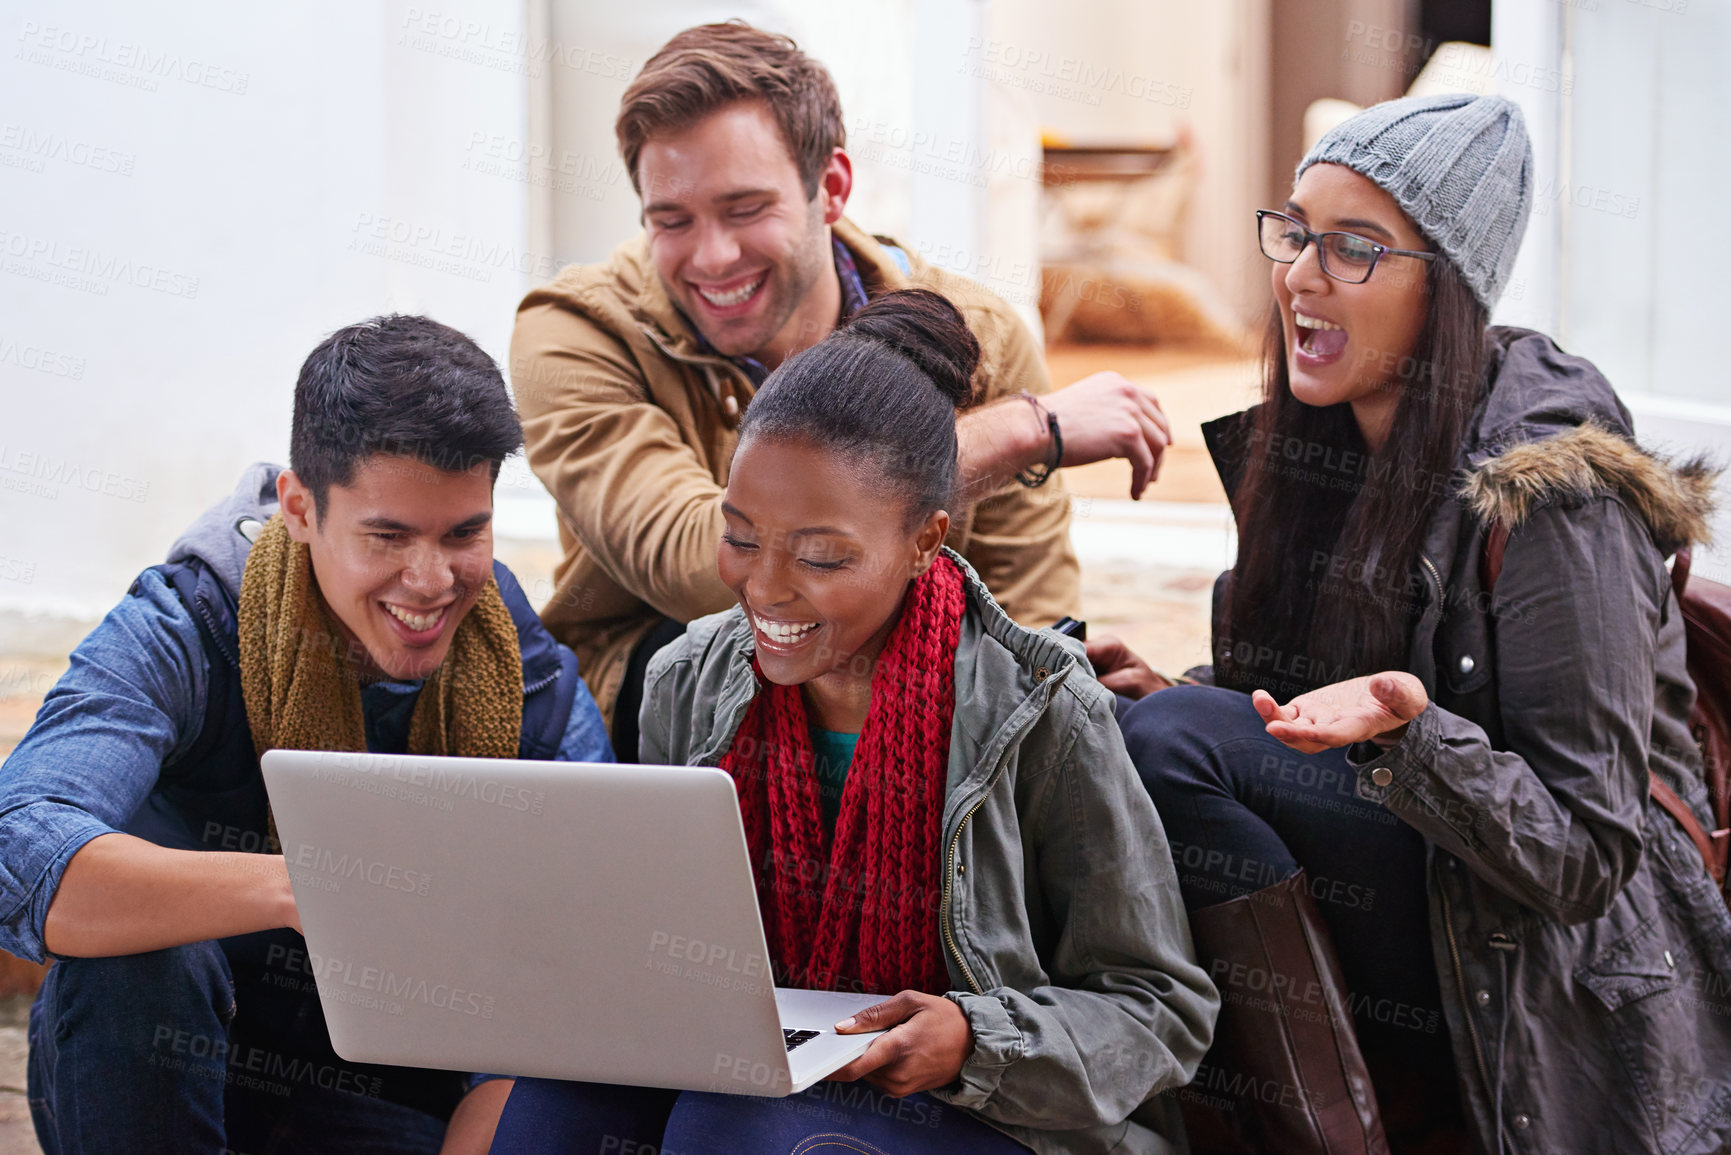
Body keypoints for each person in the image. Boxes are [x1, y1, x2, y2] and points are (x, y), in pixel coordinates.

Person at [1092, 93, 1731, 1154]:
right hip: (1429, 871)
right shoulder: (1317, 449)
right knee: (1124, 733)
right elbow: (1290, 715)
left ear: (1449, 289)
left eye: (1354, 249)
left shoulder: (1553, 492)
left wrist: (1409, 731)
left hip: (1559, 948)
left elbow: (1585, 856)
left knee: (1169, 750)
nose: (1299, 274)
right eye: (1294, 233)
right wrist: (1196, 697)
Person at [490, 290, 1217, 1154]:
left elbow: (1159, 1009)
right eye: (740, 536)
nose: (763, 587)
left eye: (822, 555)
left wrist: (973, 1040)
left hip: (993, 1112)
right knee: (544, 1106)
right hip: (763, 1074)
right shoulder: (685, 680)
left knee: (731, 1129)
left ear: (925, 540)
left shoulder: (1043, 709)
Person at [4, 316, 613, 1155]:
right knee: (140, 960)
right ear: (299, 507)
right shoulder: (189, 624)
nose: (431, 580)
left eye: (464, 532)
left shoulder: (527, 675)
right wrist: (314, 888)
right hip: (159, 1075)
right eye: (388, 535)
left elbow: (591, 940)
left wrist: (490, 1120)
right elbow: (20, 847)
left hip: (388, 1102)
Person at [509, 21, 1175, 759]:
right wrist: (1007, 433)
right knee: (737, 653)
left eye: (744, 209)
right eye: (672, 220)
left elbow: (1029, 613)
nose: (712, 256)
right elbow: (697, 569)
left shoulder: (979, 337)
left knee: (1123, 725)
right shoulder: (575, 331)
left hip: (927, 680)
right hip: (676, 684)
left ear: (831, 188)